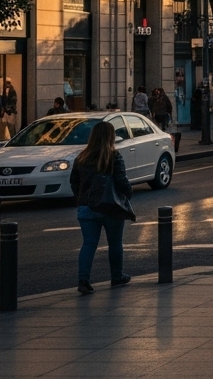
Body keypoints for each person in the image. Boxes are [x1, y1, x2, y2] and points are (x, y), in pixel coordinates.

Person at [71, 118, 134, 294]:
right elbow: (121, 180)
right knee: (115, 243)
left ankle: (83, 280)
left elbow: (74, 182)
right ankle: (117, 276)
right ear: (110, 137)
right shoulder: (113, 156)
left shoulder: (81, 158)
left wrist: (81, 199)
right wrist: (128, 194)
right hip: (111, 207)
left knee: (88, 244)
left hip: (87, 207)